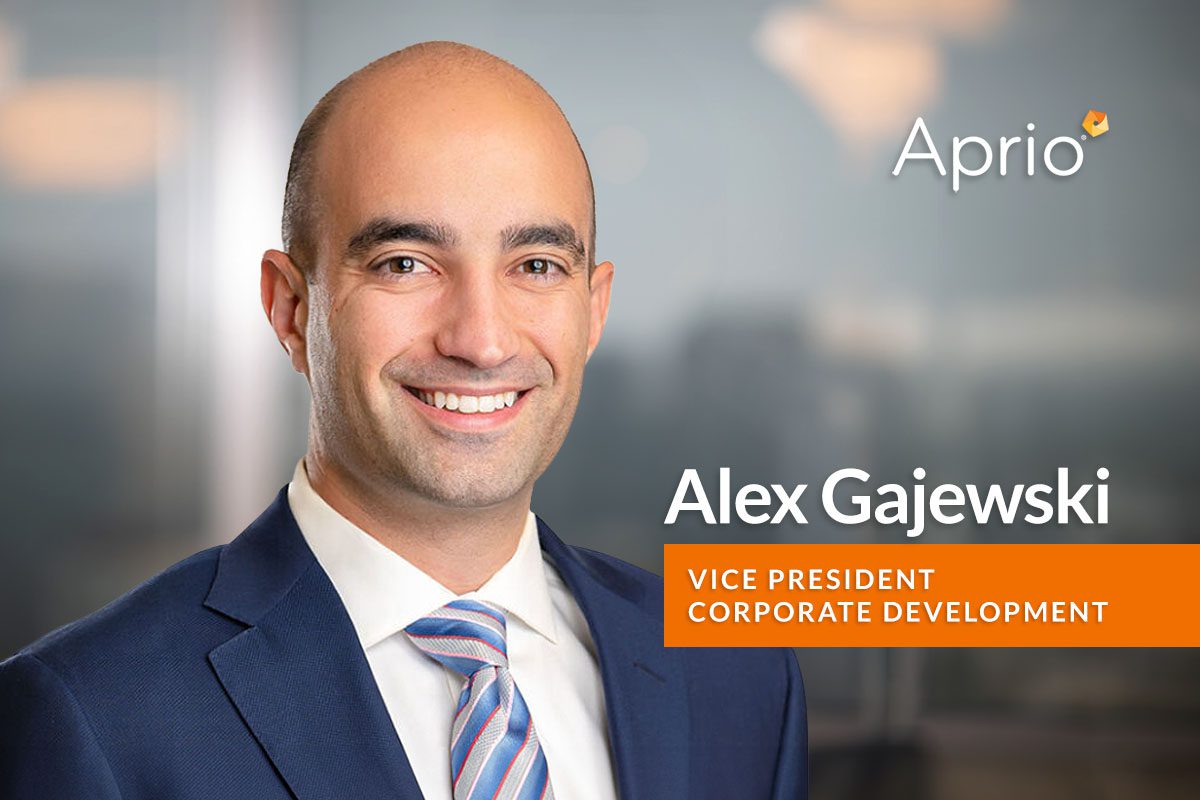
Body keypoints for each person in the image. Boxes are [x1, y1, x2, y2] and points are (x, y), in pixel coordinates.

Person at [0, 41, 807, 799]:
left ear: (593, 310)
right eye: (405, 264)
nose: (481, 340)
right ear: (290, 309)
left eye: (535, 265)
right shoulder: (93, 715)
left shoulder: (739, 677)